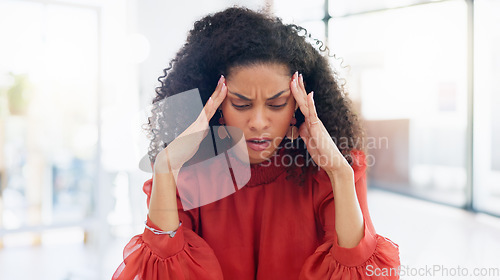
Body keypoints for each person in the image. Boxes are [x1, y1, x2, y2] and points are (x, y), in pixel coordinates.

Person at [113, 6, 400, 280]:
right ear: (216, 104)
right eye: (241, 104)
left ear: (297, 107)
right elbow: (164, 271)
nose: (259, 122)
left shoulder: (333, 171)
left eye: (276, 104)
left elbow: (356, 270)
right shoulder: (185, 172)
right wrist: (165, 167)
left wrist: (339, 172)